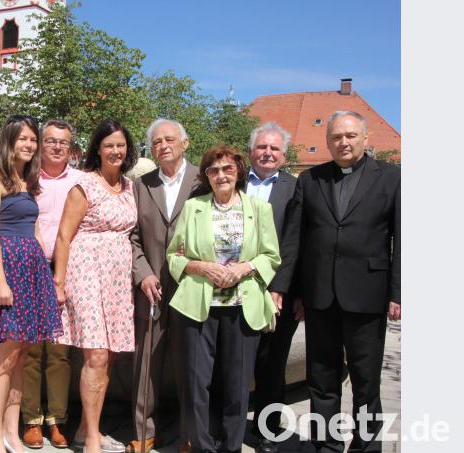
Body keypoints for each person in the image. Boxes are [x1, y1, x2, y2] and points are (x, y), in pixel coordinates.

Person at [271, 111, 400, 453]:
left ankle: (366, 446)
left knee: (366, 381)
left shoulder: (391, 178)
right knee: (322, 379)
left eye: (350, 135)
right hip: (320, 296)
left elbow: (403, 240)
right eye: (336, 137)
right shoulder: (310, 180)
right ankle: (325, 445)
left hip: (368, 294)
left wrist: (398, 292)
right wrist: (286, 288)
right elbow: (295, 241)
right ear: (328, 141)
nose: (343, 142)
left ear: (365, 138)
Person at [166, 145, 280, 453]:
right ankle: (202, 446)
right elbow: (174, 256)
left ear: (239, 172)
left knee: (237, 385)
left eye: (228, 169)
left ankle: (231, 446)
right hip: (198, 307)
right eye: (213, 170)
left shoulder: (259, 209)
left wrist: (244, 268)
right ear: (206, 176)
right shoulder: (194, 208)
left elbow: (271, 256)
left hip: (242, 308)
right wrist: (201, 266)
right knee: (195, 383)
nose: (221, 175)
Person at [0, 115, 63, 453]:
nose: (29, 144)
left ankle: (12, 432)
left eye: (32, 140)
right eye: (22, 139)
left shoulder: (27, 181)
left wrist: (47, 272)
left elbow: (35, 229)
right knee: (4, 357)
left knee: (21, 356)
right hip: (7, 269)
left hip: (31, 271)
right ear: (8, 142)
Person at [54, 119, 138, 453]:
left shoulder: (131, 187)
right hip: (86, 272)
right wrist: (58, 282)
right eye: (109, 145)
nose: (115, 151)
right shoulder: (84, 184)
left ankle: (87, 430)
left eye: (120, 145)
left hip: (117, 280)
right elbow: (63, 235)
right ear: (98, 149)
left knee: (110, 357)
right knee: (97, 357)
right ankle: (90, 440)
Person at [127, 119, 200, 453]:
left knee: (191, 363)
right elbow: (133, 236)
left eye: (170, 140)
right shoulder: (140, 185)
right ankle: (144, 432)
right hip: (152, 286)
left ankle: (189, 434)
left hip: (192, 288)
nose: (163, 146)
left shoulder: (205, 180)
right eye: (156, 142)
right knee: (146, 363)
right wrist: (143, 273)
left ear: (185, 143)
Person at [21, 119, 82, 450]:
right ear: (41, 144)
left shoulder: (81, 180)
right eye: (51, 141)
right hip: (32, 267)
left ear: (70, 147)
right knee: (31, 349)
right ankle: (31, 420)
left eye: (63, 142)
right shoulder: (27, 177)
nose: (57, 146)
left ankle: (56, 421)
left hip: (68, 268)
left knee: (59, 351)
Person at [242, 122, 299, 453]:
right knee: (235, 362)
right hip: (234, 288)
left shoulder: (296, 187)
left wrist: (284, 288)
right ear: (251, 151)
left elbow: (294, 244)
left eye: (274, 148)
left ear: (284, 155)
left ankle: (267, 428)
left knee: (273, 364)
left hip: (277, 291)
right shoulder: (233, 181)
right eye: (262, 147)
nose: (267, 153)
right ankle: (230, 423)